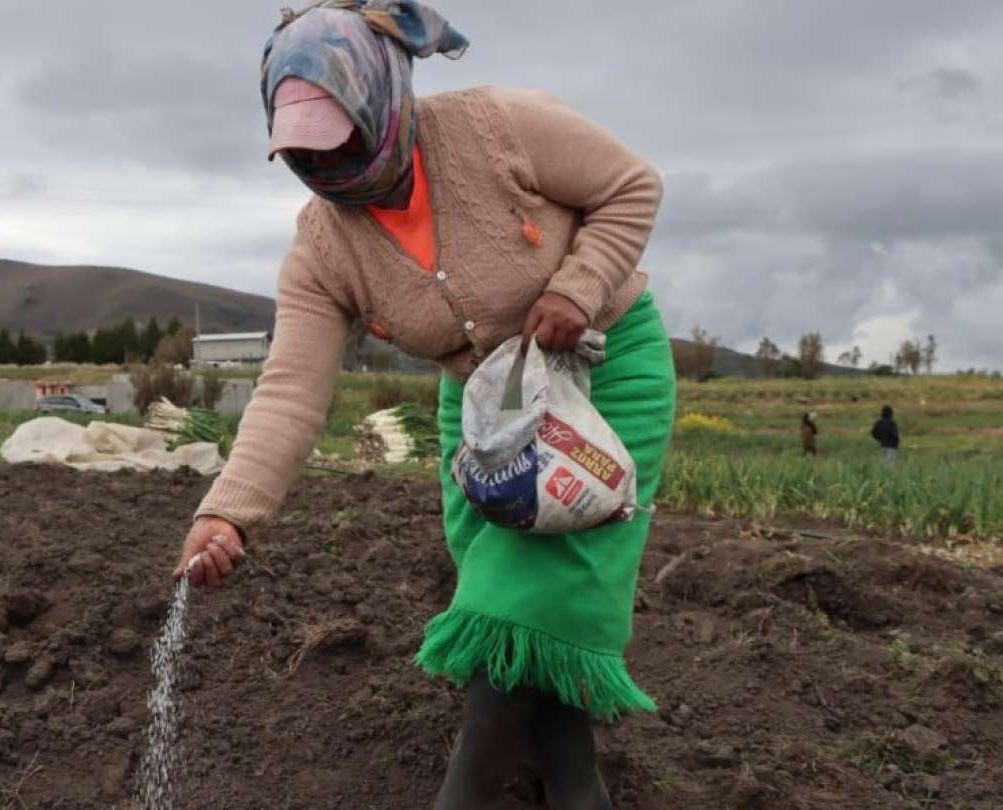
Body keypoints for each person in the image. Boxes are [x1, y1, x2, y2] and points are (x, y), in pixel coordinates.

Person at [172, 2, 673, 807]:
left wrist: (578, 286)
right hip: (481, 412)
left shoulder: (497, 128)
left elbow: (631, 186)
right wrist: (229, 512)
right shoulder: (323, 249)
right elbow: (292, 388)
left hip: (601, 380)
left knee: (515, 600)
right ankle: (579, 791)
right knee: (519, 609)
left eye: (340, 140)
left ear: (382, 100)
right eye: (303, 149)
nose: (327, 166)